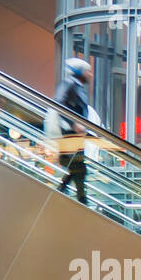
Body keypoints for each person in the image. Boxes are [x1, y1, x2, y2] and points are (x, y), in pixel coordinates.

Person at [54, 58, 92, 204]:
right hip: (70, 134)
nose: (90, 74)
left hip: (76, 135)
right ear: (79, 72)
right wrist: (73, 123)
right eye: (87, 71)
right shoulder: (69, 83)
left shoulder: (77, 86)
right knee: (78, 167)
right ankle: (82, 200)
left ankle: (62, 191)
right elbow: (58, 102)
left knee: (76, 167)